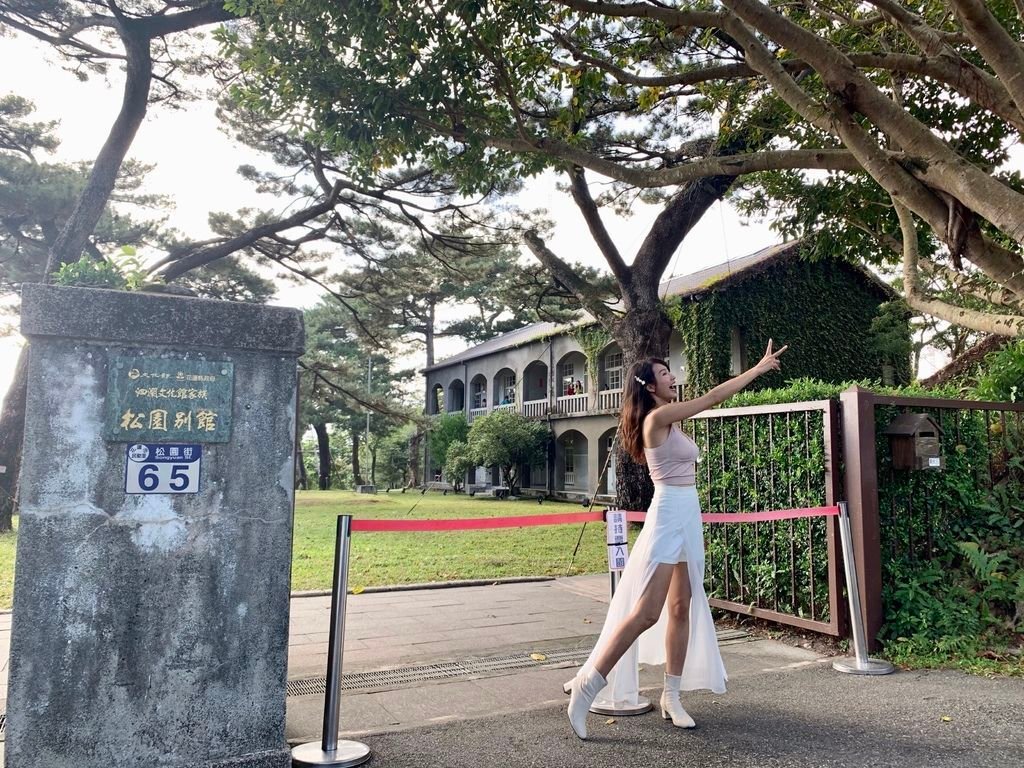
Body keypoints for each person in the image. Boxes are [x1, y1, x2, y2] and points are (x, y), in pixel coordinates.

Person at [567, 339, 787, 739]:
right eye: (666, 374)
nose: (674, 378)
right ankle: (588, 684)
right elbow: (713, 397)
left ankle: (672, 695)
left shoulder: (667, 418)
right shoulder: (658, 418)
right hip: (669, 514)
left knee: (682, 605)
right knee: (647, 612)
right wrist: (756, 370)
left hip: (687, 512)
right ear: (650, 386)